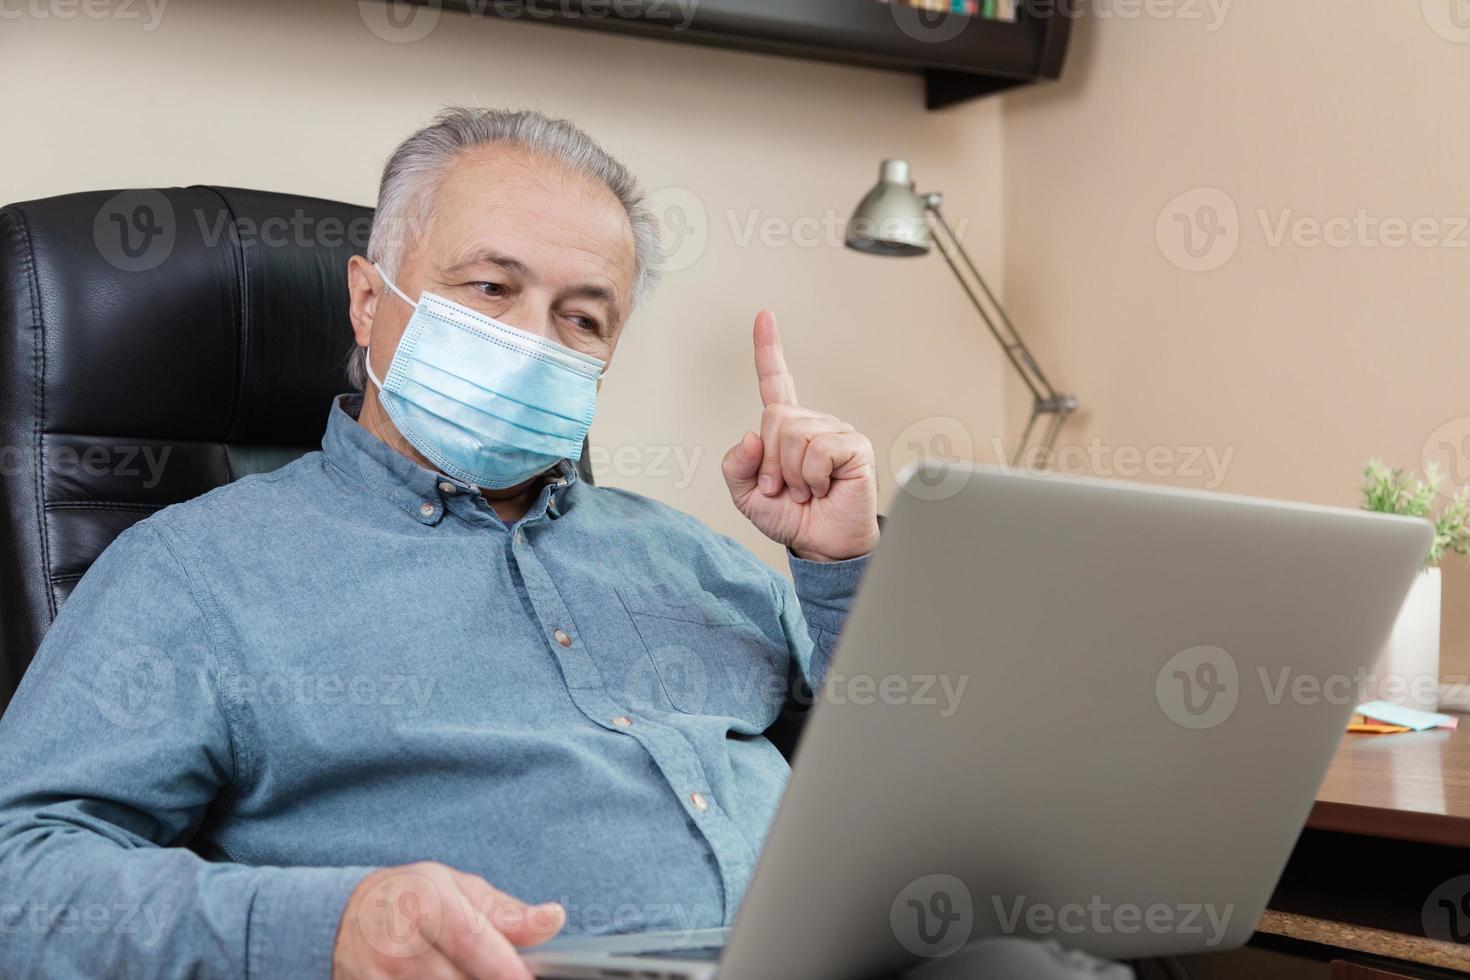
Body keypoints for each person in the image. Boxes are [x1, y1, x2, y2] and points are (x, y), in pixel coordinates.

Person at [0, 107, 879, 979]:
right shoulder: (196, 572)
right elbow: (21, 879)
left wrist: (843, 571)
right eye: (491, 288)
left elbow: (889, 787)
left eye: (582, 318)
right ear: (368, 299)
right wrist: (327, 927)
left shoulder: (697, 560)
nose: (533, 341)